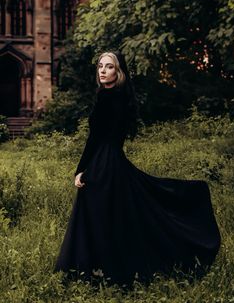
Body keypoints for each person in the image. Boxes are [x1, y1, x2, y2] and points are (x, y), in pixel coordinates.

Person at [54, 50, 221, 288]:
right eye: (100, 66)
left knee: (102, 215)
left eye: (109, 66)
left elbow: (96, 139)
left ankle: (96, 272)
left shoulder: (111, 97)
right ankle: (99, 270)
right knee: (113, 215)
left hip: (105, 164)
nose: (102, 70)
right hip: (111, 161)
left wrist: (80, 170)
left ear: (119, 72)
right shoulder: (116, 95)